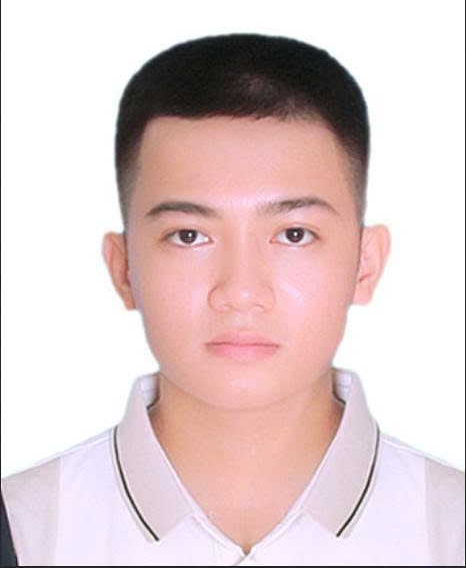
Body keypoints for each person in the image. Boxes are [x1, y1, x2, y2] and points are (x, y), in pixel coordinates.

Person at [1, 33, 464, 567]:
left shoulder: (451, 529)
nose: (240, 293)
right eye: (189, 236)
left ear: (366, 263)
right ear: (124, 267)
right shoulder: (23, 528)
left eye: (293, 234)